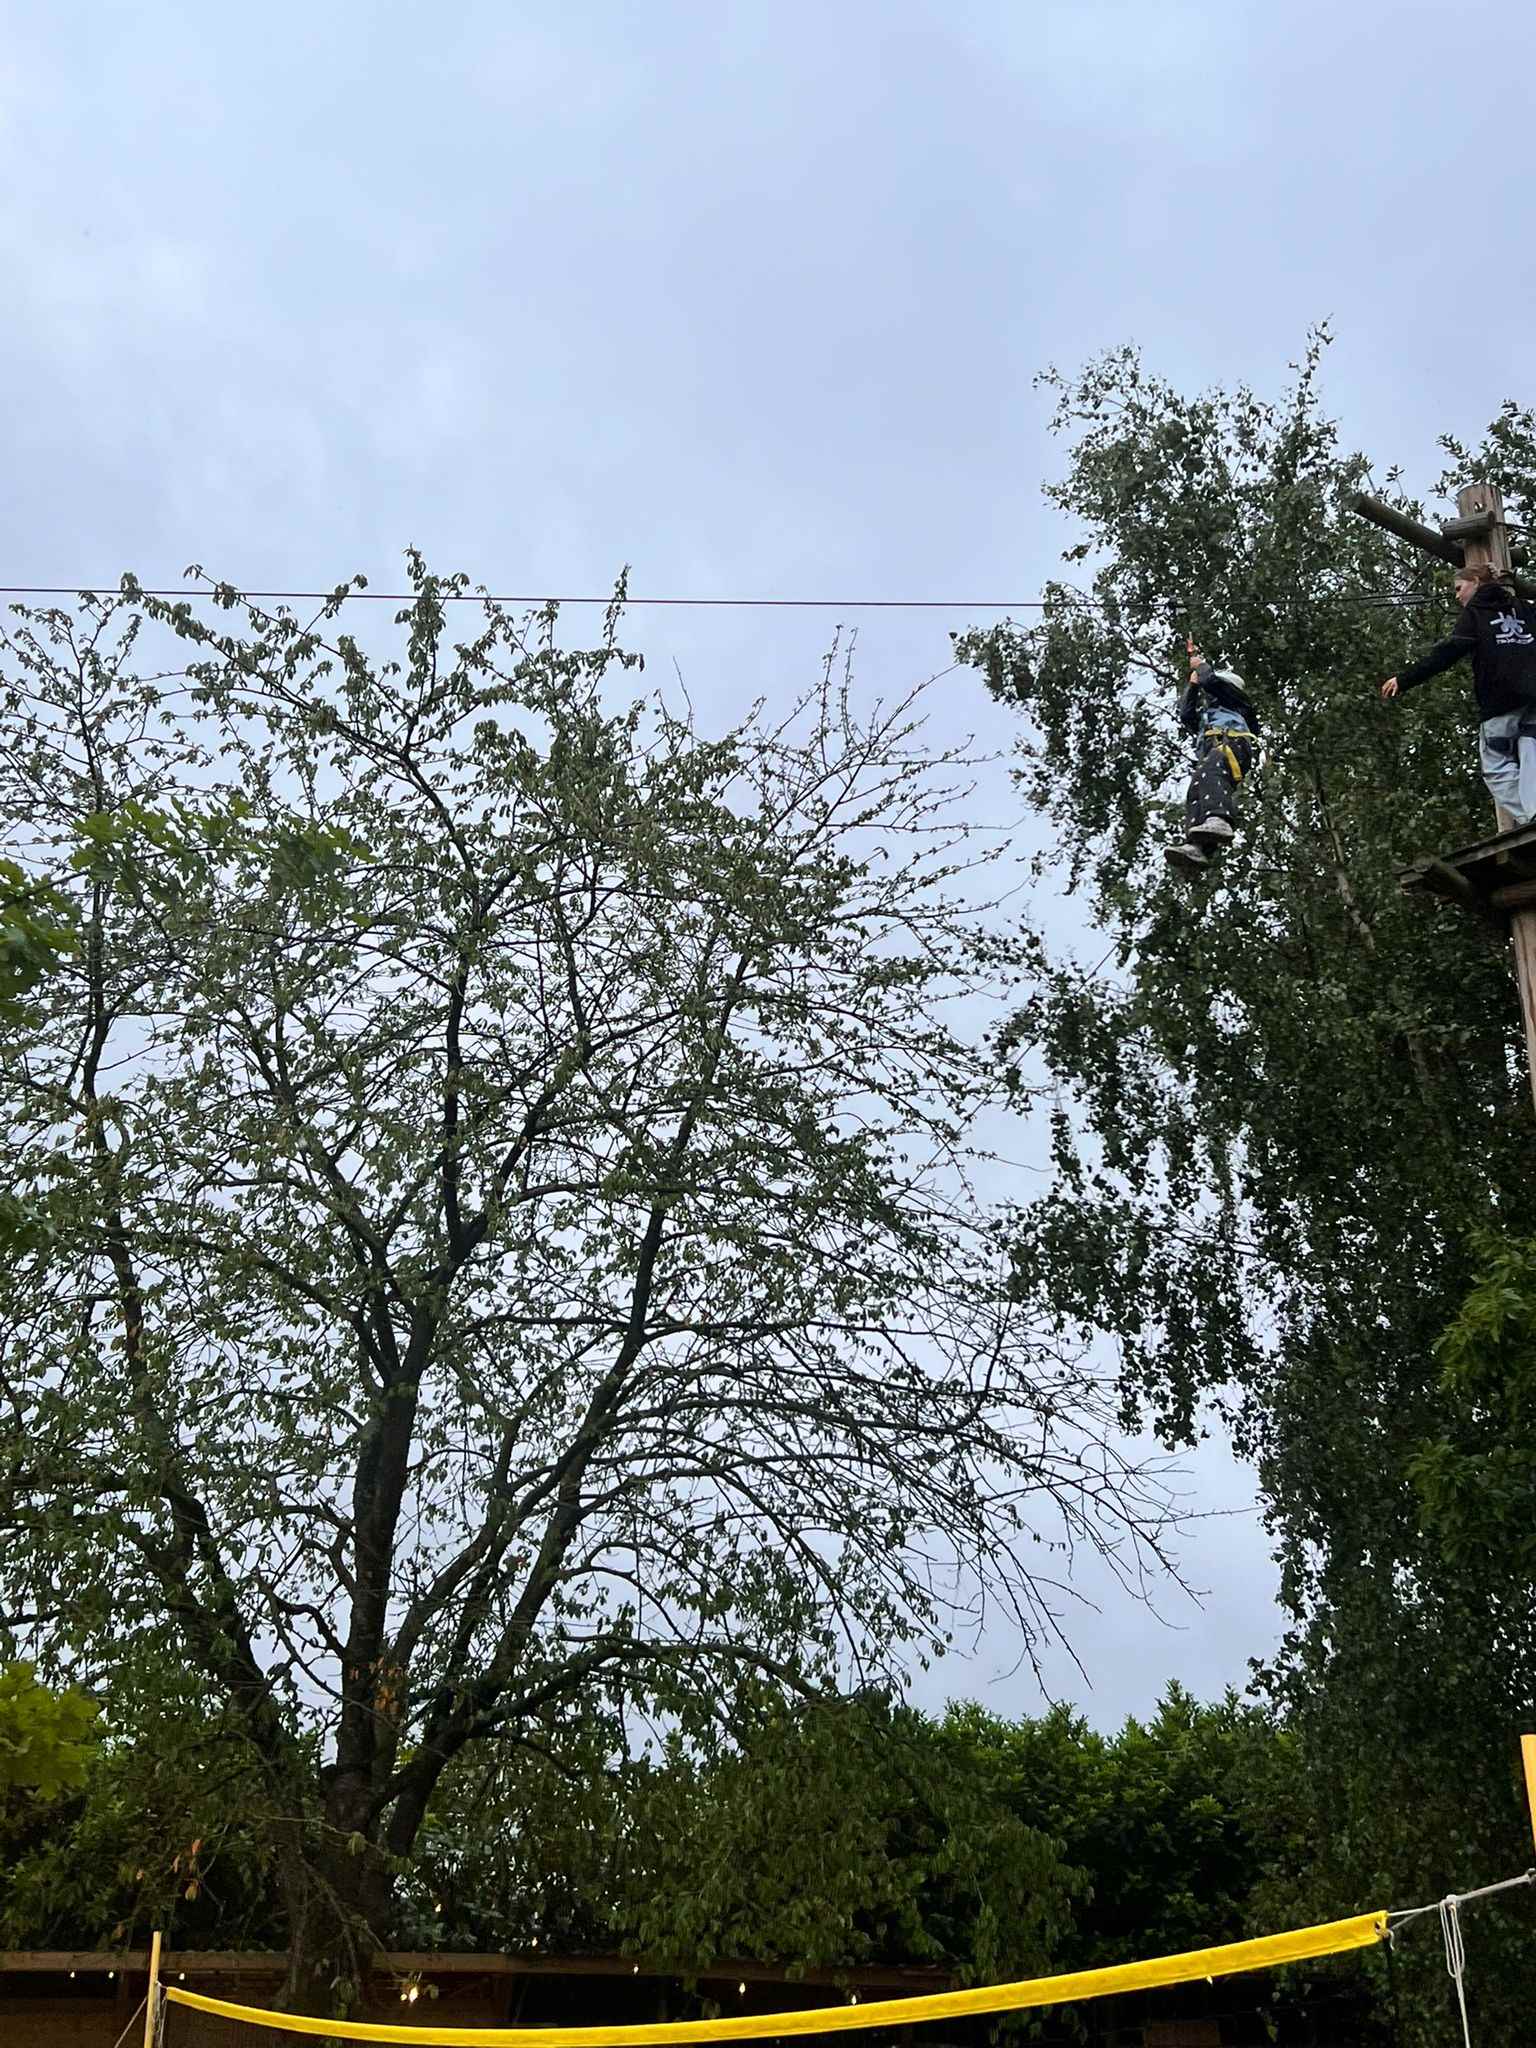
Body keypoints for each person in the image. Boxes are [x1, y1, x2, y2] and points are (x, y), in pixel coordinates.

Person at [1381, 562, 1536, 827]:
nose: (1457, 596)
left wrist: (1404, 679)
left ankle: (1530, 815)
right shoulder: (1524, 608)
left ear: (1475, 581)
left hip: (1500, 700)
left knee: (1496, 765)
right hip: (1533, 698)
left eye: (1458, 588)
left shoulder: (1475, 614)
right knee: (1530, 751)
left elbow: (1447, 654)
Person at [1166, 638, 1261, 876]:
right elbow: (1186, 715)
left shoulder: (1238, 702)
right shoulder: (1209, 716)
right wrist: (1192, 686)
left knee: (1211, 772)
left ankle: (1219, 819)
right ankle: (1198, 846)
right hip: (1215, 752)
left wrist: (1200, 665)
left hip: (1233, 744)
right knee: (1196, 790)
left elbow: (1210, 681)